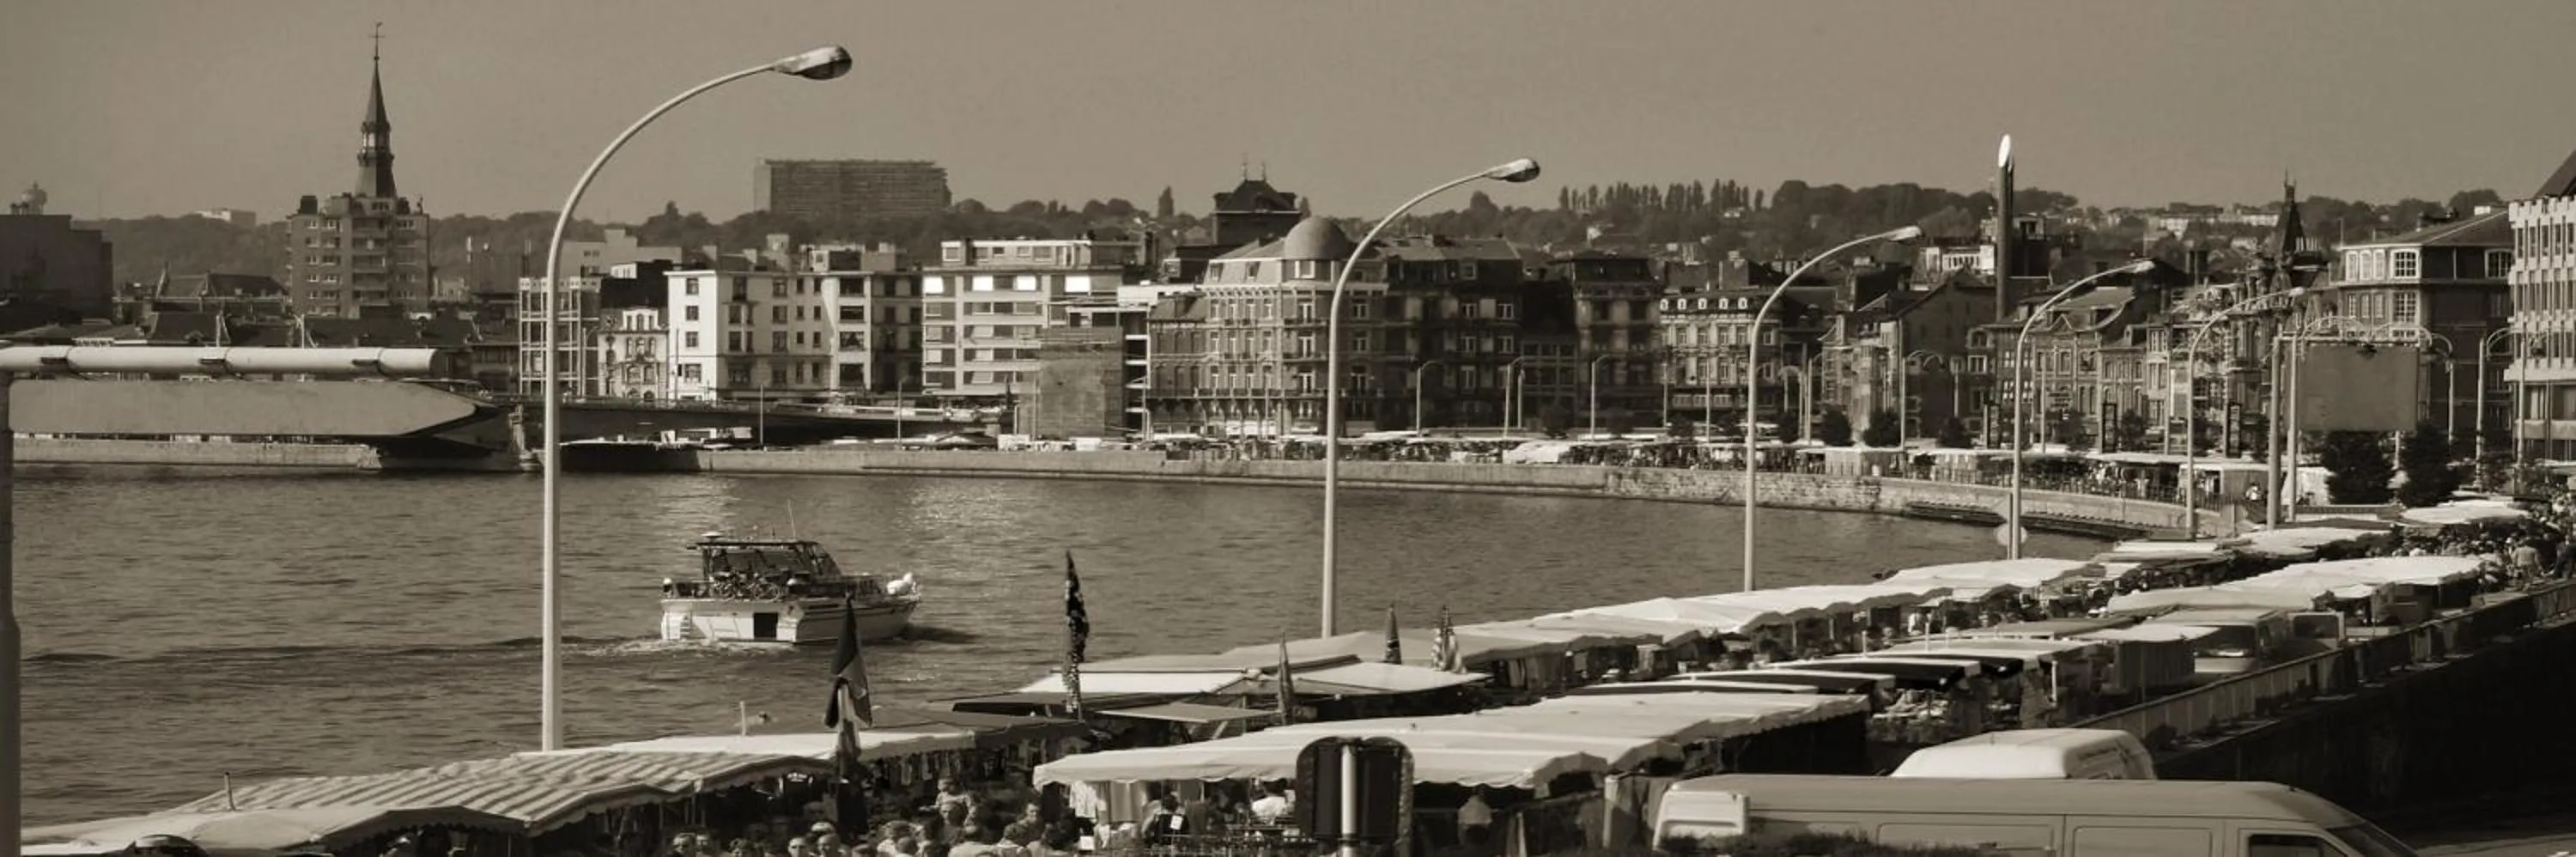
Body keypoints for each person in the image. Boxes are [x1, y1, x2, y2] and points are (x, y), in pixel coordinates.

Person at [1456, 787, 1494, 851]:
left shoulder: (1463, 808)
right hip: (1478, 832)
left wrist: (1461, 842)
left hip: (1472, 832)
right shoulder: (1485, 807)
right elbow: (1488, 823)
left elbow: (1460, 826)